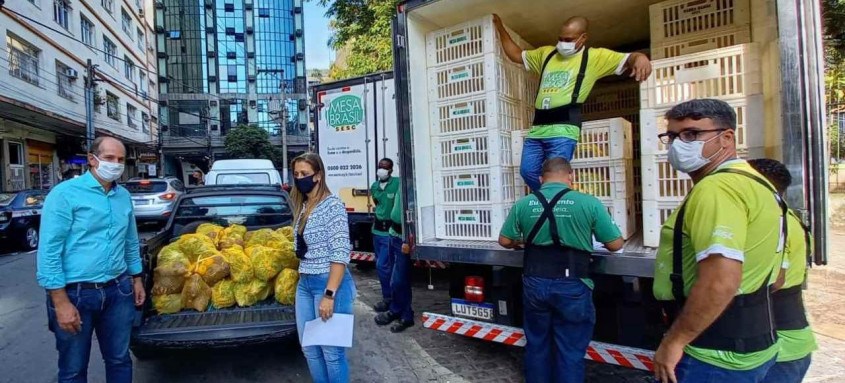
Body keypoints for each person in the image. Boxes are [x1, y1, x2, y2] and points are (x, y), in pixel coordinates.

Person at [651, 99, 786, 383]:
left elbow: (720, 281)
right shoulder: (758, 183)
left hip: (712, 354)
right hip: (753, 341)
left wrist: (675, 341)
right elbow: (777, 278)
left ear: (726, 138)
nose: (677, 144)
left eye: (690, 134)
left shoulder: (716, 187)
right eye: (672, 136)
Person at [498, 157, 624, 383]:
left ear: (540, 179)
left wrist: (520, 241)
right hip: (573, 283)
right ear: (570, 177)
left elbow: (505, 240)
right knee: (570, 350)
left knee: (537, 345)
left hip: (535, 281)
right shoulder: (588, 202)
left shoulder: (524, 203)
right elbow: (615, 244)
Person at [493, 14, 653, 191]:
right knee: (527, 171)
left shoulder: (595, 57)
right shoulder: (546, 54)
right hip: (538, 128)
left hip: (564, 129)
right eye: (560, 39)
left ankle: (555, 205)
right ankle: (553, 201)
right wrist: (499, 27)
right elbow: (515, 54)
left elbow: (629, 58)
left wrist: (640, 58)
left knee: (555, 175)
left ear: (583, 38)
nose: (562, 43)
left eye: (568, 39)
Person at [36, 136, 145, 383]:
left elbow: (129, 240)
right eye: (109, 158)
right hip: (75, 294)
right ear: (92, 159)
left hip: (118, 291)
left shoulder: (123, 196)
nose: (115, 164)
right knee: (73, 369)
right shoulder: (64, 194)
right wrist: (60, 301)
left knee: (119, 360)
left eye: (120, 159)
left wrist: (136, 278)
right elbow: (49, 251)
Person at [748, 159, 817, 383]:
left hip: (780, 348)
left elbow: (775, 280)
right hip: (793, 341)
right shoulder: (792, 219)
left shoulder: (773, 223)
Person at [291, 152, 356, 383]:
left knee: (332, 353)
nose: (299, 178)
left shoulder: (332, 205)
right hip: (305, 283)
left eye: (304, 174)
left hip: (329, 283)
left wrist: (329, 295)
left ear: (318, 176)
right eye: (296, 174)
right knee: (309, 348)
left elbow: (340, 254)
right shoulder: (304, 205)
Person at [374, 186, 414, 332]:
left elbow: (413, 213)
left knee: (399, 280)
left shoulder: (412, 182)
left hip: (403, 238)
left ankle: (404, 315)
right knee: (396, 278)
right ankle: (399, 311)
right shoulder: (402, 182)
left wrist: (407, 239)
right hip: (393, 234)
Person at [369, 158, 400, 312]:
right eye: (380, 167)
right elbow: (378, 203)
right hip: (377, 231)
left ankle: (390, 298)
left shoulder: (397, 183)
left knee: (383, 266)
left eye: (385, 167)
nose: (381, 169)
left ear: (391, 170)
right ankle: (388, 297)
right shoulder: (374, 186)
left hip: (390, 233)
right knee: (382, 266)